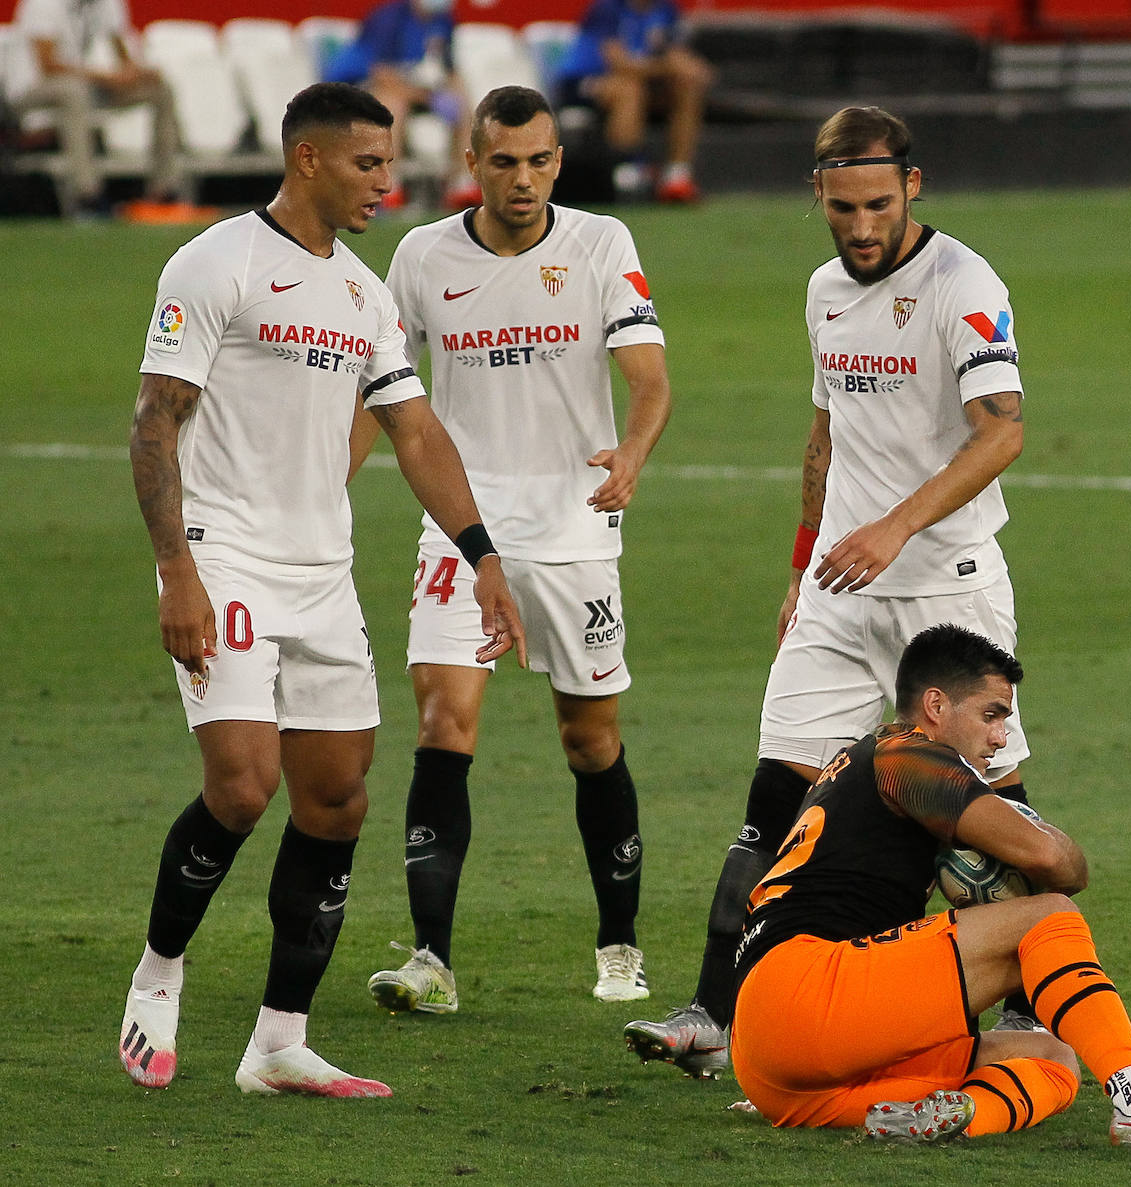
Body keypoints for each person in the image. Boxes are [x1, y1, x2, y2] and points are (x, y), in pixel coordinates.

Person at [119, 81, 526, 1098]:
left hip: (323, 573)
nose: (386, 184)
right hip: (227, 559)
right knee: (244, 785)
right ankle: (159, 973)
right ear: (308, 159)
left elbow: (416, 432)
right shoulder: (216, 263)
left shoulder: (363, 292)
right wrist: (178, 569)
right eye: (367, 165)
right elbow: (155, 420)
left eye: (390, 166)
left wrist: (481, 554)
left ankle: (278, 1042)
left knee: (337, 801)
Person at [625, 104, 1033, 1077]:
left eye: (879, 205)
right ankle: (715, 1011)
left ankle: (1017, 1017)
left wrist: (898, 524)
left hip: (949, 591)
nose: (860, 226)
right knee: (774, 796)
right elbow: (825, 436)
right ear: (818, 192)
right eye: (842, 206)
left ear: (914, 187)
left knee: (993, 809)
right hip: (839, 594)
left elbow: (1003, 429)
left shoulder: (962, 284)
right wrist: (800, 566)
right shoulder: (823, 291)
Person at [356, 84, 671, 1012]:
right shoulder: (419, 257)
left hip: (576, 530)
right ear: (472, 163)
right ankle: (431, 960)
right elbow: (383, 395)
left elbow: (649, 380)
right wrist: (321, 481)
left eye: (538, 161)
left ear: (557, 163)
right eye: (504, 162)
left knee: (590, 738)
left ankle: (620, 947)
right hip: (463, 528)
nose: (523, 179)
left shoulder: (602, 244)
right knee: (443, 725)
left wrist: (634, 455)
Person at [729, 623, 1131, 1150]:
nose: (1001, 736)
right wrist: (1035, 838)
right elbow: (1055, 862)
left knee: (1052, 1057)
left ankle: (961, 1115)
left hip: (772, 1064)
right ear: (936, 707)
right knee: (1048, 915)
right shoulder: (908, 754)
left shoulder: (849, 765)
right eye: (991, 714)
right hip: (808, 993)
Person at [5, 0, 184, 216]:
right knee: (74, 93)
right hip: (29, 90)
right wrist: (107, 77)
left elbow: (122, 55)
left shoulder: (107, 3)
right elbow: (48, 65)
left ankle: (164, 192)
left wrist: (138, 73)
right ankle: (87, 196)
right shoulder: (43, 4)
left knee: (159, 90)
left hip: (84, 85)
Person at [324, 0, 479, 210]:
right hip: (358, 85)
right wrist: (429, 98)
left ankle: (462, 183)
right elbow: (381, 73)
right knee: (393, 105)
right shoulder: (389, 18)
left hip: (412, 84)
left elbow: (447, 67)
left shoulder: (443, 20)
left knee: (460, 92)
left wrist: (453, 97)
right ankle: (389, 187)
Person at [558, 0, 711, 203]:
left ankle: (677, 175)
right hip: (585, 81)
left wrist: (687, 69)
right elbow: (619, 63)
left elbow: (675, 53)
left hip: (642, 79)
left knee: (686, 87)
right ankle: (626, 170)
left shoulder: (665, 9)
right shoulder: (608, 9)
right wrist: (668, 67)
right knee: (629, 90)